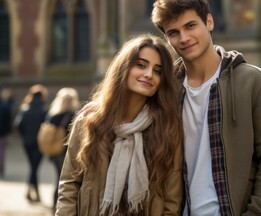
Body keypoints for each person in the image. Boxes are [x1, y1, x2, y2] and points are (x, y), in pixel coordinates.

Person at [151, 0, 261, 215]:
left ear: (209, 22)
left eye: (190, 26)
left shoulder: (253, 82)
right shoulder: (167, 91)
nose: (184, 38)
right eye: (173, 32)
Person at [56, 34, 184, 215]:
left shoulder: (167, 129)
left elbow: (172, 200)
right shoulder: (90, 121)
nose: (149, 74)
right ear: (124, 67)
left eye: (157, 71)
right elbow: (69, 185)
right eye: (141, 65)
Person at [45, 87, 80, 211]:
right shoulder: (72, 115)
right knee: (65, 181)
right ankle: (58, 206)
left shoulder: (52, 114)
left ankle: (54, 204)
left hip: (53, 151)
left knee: (58, 178)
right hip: (65, 153)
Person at [14, 84, 48, 202]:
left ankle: (31, 191)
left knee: (33, 167)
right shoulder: (45, 110)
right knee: (34, 167)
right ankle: (34, 193)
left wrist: (24, 135)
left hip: (27, 142)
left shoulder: (25, 109)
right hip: (39, 143)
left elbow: (18, 125)